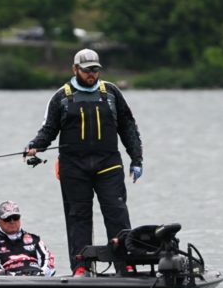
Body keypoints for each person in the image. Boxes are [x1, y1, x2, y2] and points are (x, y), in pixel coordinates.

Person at [24, 48, 142, 275]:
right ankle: (81, 267)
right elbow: (49, 129)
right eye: (87, 70)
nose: (92, 74)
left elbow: (128, 127)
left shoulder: (112, 93)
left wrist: (136, 158)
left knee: (117, 212)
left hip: (108, 164)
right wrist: (36, 145)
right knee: (78, 216)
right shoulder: (61, 97)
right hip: (73, 167)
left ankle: (124, 263)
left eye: (95, 70)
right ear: (75, 69)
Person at [0, 201, 56, 276]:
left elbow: (48, 262)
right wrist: (13, 276)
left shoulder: (35, 239)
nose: (12, 221)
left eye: (15, 217)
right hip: (10, 283)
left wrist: (41, 274)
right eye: (7, 218)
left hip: (37, 280)